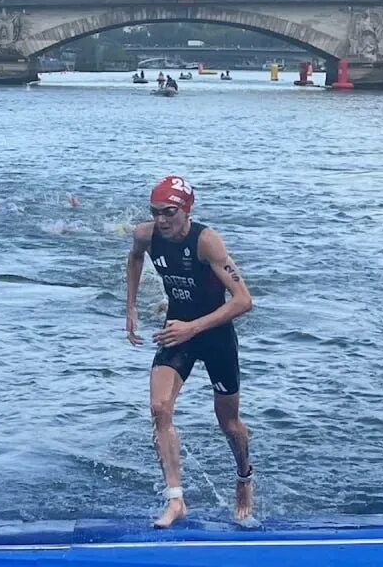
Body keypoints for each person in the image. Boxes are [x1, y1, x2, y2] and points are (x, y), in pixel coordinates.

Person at [125, 176, 255, 528]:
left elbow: (244, 301)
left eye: (169, 212)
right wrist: (131, 307)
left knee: (228, 422)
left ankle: (244, 477)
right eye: (156, 213)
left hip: (215, 336)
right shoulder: (146, 234)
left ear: (186, 210)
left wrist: (193, 327)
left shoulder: (206, 242)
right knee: (159, 408)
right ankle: (175, 500)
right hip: (177, 331)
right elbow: (135, 258)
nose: (162, 220)